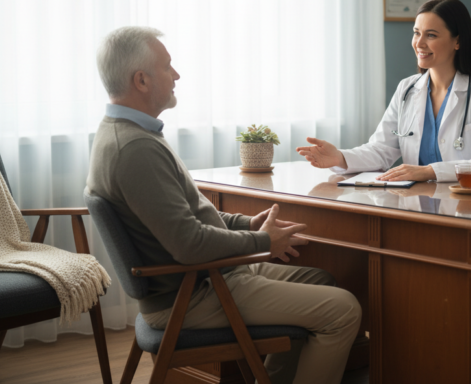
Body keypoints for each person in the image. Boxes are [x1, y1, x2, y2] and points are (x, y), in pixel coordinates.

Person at [86, 26, 361, 384]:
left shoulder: (128, 134)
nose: (177, 75)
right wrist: (264, 242)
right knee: (344, 311)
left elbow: (190, 216)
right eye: (168, 67)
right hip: (192, 293)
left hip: (204, 279)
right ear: (141, 80)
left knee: (321, 280)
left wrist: (247, 225)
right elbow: (189, 243)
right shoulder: (136, 149)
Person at [296, 0, 471, 183]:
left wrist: (429, 171)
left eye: (431, 35)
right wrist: (340, 157)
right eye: (416, 33)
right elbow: (381, 150)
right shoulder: (407, 89)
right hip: (416, 203)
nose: (419, 43)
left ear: (457, 41)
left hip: (466, 204)